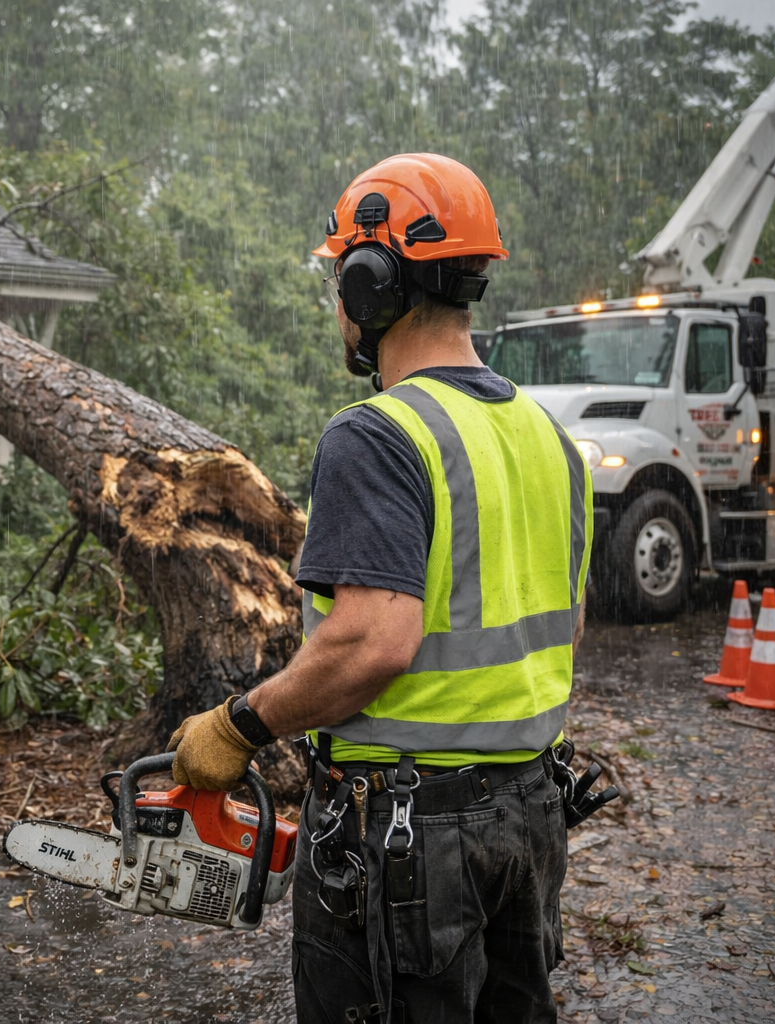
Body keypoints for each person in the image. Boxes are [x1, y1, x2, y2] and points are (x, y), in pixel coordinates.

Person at [165, 154, 595, 1024]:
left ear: (371, 285)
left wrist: (237, 726)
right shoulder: (545, 435)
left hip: (408, 830)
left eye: (341, 283)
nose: (338, 309)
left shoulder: (378, 435)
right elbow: (566, 624)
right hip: (531, 813)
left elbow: (373, 642)